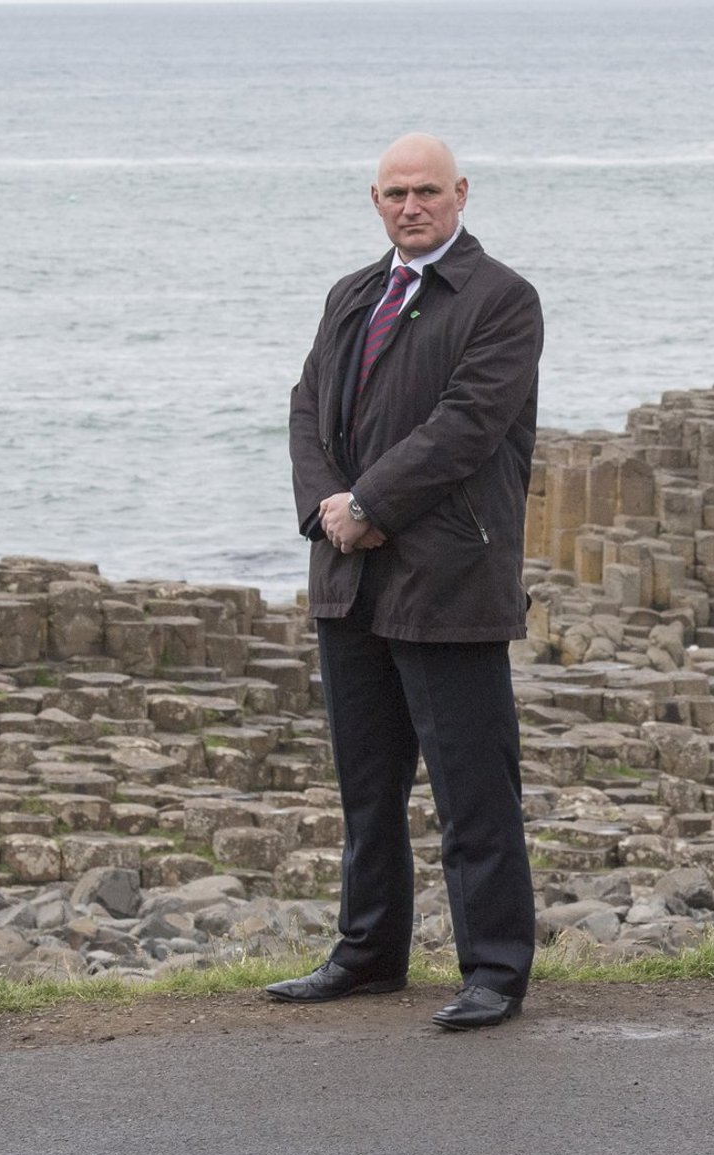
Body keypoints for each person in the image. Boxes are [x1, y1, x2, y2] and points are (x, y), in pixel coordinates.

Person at [271, 133, 544, 1031]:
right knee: (367, 783)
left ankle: (495, 970)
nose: (411, 205)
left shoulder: (502, 300)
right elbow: (309, 408)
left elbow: (466, 427)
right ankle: (369, 951)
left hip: (450, 575)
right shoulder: (352, 294)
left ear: (462, 193)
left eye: (427, 190)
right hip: (350, 575)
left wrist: (374, 502)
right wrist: (327, 508)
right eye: (395, 193)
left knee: (473, 787)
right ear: (375, 200)